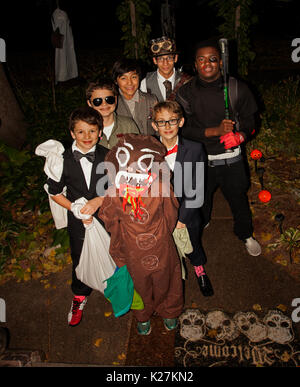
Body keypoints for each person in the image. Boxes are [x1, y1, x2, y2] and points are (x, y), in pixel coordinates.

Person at [176, 39, 261, 257]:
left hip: (231, 159)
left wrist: (240, 136)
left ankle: (246, 234)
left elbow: (252, 123)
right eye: (201, 60)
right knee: (200, 199)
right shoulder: (185, 94)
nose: (207, 64)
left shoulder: (236, 88)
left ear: (221, 63)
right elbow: (183, 130)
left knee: (238, 199)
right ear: (195, 65)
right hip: (202, 160)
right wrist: (214, 131)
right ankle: (202, 223)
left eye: (213, 59)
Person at [99, 134, 184, 335]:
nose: (132, 171)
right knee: (138, 282)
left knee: (168, 277)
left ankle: (169, 311)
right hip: (132, 248)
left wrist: (162, 234)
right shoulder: (115, 193)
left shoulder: (161, 187)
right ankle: (143, 315)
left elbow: (170, 213)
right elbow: (112, 222)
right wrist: (119, 247)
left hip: (160, 244)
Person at [42, 106, 109, 326]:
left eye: (92, 131)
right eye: (81, 132)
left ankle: (113, 286)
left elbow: (116, 187)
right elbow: (54, 193)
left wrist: (99, 200)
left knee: (113, 252)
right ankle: (80, 295)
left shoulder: (107, 155)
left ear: (100, 132)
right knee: (80, 257)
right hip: (77, 221)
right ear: (72, 133)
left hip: (106, 217)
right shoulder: (61, 159)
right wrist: (76, 209)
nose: (87, 137)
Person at [152, 101, 214, 297]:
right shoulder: (148, 150)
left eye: (172, 121)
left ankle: (199, 269)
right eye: (162, 122)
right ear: (154, 125)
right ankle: (172, 278)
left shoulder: (195, 149)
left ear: (181, 122)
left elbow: (197, 187)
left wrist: (182, 219)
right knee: (165, 250)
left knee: (192, 243)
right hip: (159, 214)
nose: (168, 126)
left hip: (186, 213)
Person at [86, 77, 140, 149]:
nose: (104, 104)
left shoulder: (128, 125)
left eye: (109, 99)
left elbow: (138, 151)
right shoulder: (84, 129)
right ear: (89, 103)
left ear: (116, 99)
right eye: (98, 101)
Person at [112, 58, 158, 136]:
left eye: (133, 77)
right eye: (123, 78)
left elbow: (159, 128)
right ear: (116, 81)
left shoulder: (151, 100)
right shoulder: (112, 104)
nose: (129, 83)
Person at [140, 36, 191, 101]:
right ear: (155, 61)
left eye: (169, 58)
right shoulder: (146, 83)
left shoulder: (186, 82)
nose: (165, 63)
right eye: (160, 59)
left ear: (175, 58)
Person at [51, 7, 78, 84]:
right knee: (60, 56)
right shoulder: (58, 13)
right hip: (60, 37)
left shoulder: (63, 13)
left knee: (67, 55)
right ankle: (60, 77)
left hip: (66, 36)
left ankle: (69, 75)